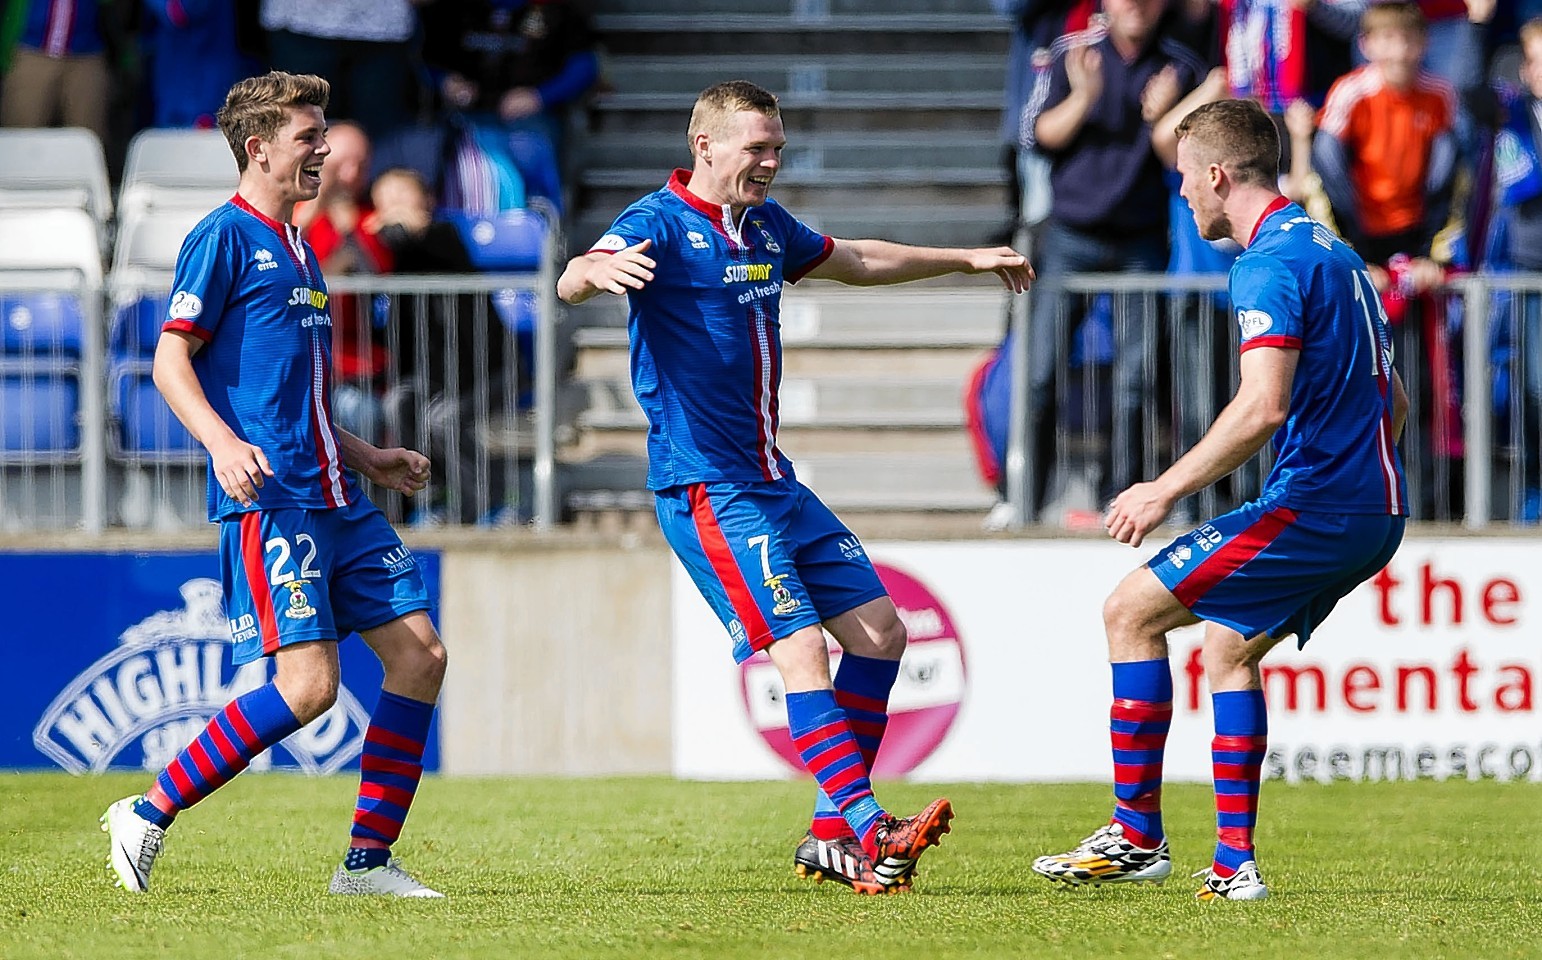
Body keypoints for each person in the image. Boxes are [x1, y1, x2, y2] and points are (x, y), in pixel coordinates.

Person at [557, 80, 1033, 895]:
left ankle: (828, 834)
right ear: (704, 145)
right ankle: (867, 823)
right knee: (802, 647)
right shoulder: (658, 222)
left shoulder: (766, 226)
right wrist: (592, 274)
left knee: (882, 635)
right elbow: (576, 272)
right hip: (708, 487)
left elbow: (851, 258)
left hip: (774, 481)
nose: (772, 162)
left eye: (776, 147)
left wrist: (966, 257)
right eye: (757, 148)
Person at [1031, 98, 1408, 901]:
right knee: (1227, 649)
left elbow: (1262, 405)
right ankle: (1235, 866)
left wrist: (1162, 488)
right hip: (1375, 507)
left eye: (1181, 181)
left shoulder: (1266, 261)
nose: (1181, 198)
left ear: (1214, 174)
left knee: (1130, 612)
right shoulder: (1335, 253)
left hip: (1321, 505)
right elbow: (1396, 401)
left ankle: (1136, 835)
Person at [99, 71, 449, 899]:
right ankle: (146, 812)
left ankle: (366, 864)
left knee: (421, 657)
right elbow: (169, 358)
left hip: (337, 494)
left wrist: (372, 459)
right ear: (258, 148)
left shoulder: (300, 246)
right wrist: (221, 443)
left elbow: (300, 395)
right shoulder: (222, 236)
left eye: (322, 135)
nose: (323, 149)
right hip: (273, 501)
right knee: (309, 688)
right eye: (308, 136)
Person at [1021, 0, 1208, 522]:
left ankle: (1119, 502)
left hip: (1141, 243)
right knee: (1041, 375)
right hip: (1069, 237)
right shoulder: (1071, 55)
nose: (1138, 7)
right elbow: (1035, 135)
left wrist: (1167, 117)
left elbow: (1183, 159)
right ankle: (1023, 502)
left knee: (1136, 383)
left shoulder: (1180, 65)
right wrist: (1084, 97)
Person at [295, 121, 394, 445]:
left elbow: (375, 274)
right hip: (299, 364)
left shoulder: (369, 217)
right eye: (341, 164)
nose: (350, 175)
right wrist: (313, 209)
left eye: (361, 165)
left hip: (354, 369)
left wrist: (349, 229)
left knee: (359, 415)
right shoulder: (295, 213)